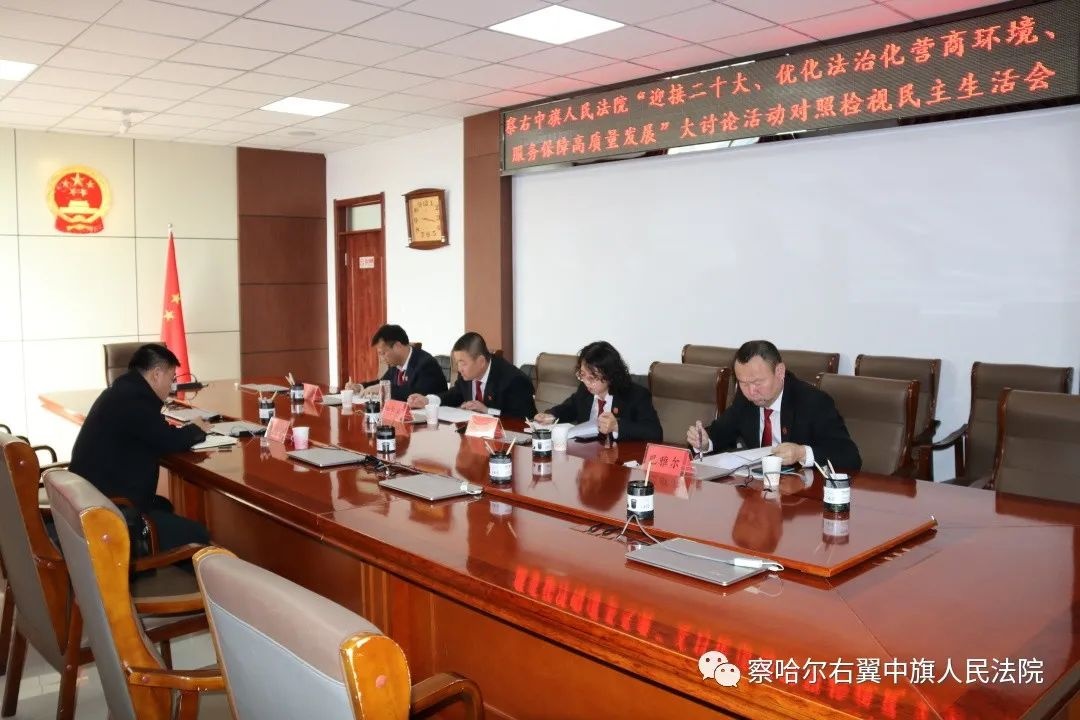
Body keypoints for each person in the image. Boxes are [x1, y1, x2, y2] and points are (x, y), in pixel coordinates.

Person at [70, 343, 212, 551]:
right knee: (199, 534)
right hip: (111, 513)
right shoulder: (136, 400)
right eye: (172, 378)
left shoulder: (122, 391)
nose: (172, 386)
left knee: (164, 505)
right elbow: (169, 441)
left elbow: (154, 432)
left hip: (90, 500)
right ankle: (149, 556)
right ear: (156, 374)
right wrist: (197, 429)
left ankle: (155, 558)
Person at [686, 340, 861, 471]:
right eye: (743, 383)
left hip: (801, 496)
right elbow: (721, 432)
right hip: (757, 491)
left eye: (757, 382)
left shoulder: (813, 402)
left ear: (779, 372)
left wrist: (801, 453)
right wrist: (705, 442)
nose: (751, 391)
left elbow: (849, 457)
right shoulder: (745, 398)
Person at [534, 341, 662, 443]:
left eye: (592, 378)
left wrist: (617, 426)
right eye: (582, 375)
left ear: (610, 376)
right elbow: (570, 408)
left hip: (617, 458)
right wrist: (551, 416)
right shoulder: (585, 389)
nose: (586, 382)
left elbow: (655, 432)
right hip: (586, 456)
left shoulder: (636, 395)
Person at [407, 332, 537, 418]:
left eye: (463, 363)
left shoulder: (514, 380)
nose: (459, 369)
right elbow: (454, 394)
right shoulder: (468, 375)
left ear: (481, 361)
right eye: (457, 363)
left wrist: (487, 411)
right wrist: (428, 400)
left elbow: (525, 419)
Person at [366, 324, 447, 401]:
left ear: (398, 346)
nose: (382, 359)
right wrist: (362, 386)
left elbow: (416, 394)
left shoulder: (426, 364)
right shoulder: (395, 365)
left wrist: (384, 388)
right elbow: (382, 382)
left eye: (383, 353)